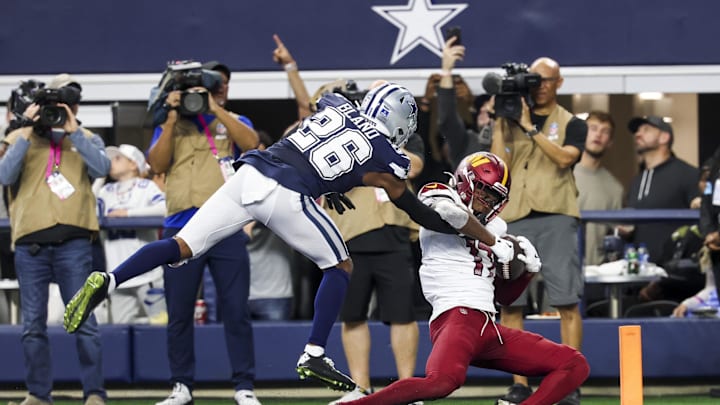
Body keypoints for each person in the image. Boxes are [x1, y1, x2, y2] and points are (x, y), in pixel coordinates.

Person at [64, 81, 517, 393]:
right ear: (400, 122)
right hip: (286, 193)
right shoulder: (390, 156)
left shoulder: (338, 104)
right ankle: (315, 352)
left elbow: (320, 122)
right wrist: (482, 235)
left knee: (182, 245)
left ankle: (109, 278)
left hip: (249, 174)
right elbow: (416, 209)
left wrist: (334, 181)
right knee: (339, 266)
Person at [342, 152, 590, 405]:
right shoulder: (438, 193)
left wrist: (526, 273)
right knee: (441, 382)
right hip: (456, 316)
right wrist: (495, 243)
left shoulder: (499, 228)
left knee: (573, 364)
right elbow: (455, 218)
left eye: (492, 196)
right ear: (465, 180)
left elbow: (504, 297)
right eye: (482, 190)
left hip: (487, 325)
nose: (485, 200)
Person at [138, 60, 264, 405]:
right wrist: (172, 115)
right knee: (179, 312)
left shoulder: (234, 120)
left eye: (218, 86)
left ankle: (244, 386)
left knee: (235, 309)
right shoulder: (171, 124)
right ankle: (181, 386)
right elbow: (156, 165)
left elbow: (251, 144)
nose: (213, 91)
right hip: (181, 228)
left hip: (226, 225)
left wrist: (213, 108)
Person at [0, 74, 109, 405]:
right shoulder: (19, 136)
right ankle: (37, 394)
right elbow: (4, 176)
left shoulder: (85, 136)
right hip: (30, 245)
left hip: (74, 242)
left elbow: (102, 167)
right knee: (32, 325)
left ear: (74, 108)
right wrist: (27, 130)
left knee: (85, 321)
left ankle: (94, 393)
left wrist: (74, 132)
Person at [490, 57, 587, 405]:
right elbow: (498, 164)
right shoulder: (511, 119)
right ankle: (520, 383)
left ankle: (569, 381)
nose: (540, 85)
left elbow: (565, 159)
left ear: (559, 82)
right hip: (515, 216)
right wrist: (502, 123)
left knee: (566, 300)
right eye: (534, 80)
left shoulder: (573, 123)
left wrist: (531, 128)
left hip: (557, 215)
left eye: (546, 80)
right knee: (511, 304)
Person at [325, 131, 425, 404]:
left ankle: (408, 390)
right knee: (352, 314)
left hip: (394, 234)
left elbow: (413, 166)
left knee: (403, 314)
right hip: (349, 233)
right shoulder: (338, 134)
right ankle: (360, 387)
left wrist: (377, 144)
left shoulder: (403, 134)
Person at [94, 143, 166, 324]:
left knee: (160, 324)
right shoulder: (105, 190)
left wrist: (128, 214)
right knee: (121, 331)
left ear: (133, 164)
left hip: (148, 275)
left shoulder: (146, 186)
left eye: (117, 158)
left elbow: (165, 208)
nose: (111, 162)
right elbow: (87, 210)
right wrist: (100, 177)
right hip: (117, 274)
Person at [617, 115, 699, 263]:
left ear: (664, 138)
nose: (638, 134)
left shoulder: (688, 174)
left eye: (646, 130)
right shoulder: (637, 180)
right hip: (639, 271)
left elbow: (701, 220)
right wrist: (625, 230)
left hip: (673, 275)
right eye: (637, 131)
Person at [244, 130, 294, 321]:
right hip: (238, 292)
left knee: (278, 350)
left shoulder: (282, 182)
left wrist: (252, 220)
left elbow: (283, 203)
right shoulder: (229, 184)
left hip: (275, 293)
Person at [573, 111, 624, 266]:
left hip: (597, 271)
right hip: (560, 271)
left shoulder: (615, 188)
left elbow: (616, 233)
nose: (598, 135)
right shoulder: (560, 175)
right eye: (593, 128)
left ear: (610, 142)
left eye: (605, 131)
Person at [437, 36, 493, 168]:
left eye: (491, 108)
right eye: (481, 108)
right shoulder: (466, 142)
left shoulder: (514, 142)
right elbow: (447, 118)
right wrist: (446, 71)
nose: (484, 110)